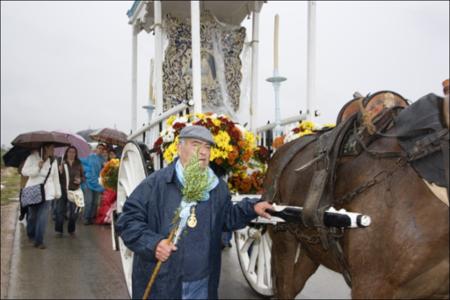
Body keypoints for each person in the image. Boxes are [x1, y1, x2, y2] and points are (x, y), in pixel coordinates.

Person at [116, 125, 273, 299]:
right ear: (179, 147)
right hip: (164, 284)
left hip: (203, 284)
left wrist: (251, 208)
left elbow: (226, 218)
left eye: (207, 147)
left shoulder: (217, 186)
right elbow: (127, 221)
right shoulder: (156, 184)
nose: (203, 152)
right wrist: (154, 244)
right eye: (196, 144)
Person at [21, 143, 61, 249]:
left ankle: (39, 241)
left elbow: (56, 177)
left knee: (42, 218)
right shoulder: (32, 158)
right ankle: (31, 234)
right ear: (45, 148)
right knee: (32, 217)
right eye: (51, 148)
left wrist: (57, 192)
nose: (53, 150)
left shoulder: (53, 161)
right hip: (34, 191)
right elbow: (24, 172)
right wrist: (37, 167)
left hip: (48, 193)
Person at [55, 146, 85, 237]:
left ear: (76, 154)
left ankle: (71, 229)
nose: (71, 154)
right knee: (60, 211)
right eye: (70, 152)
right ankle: (59, 231)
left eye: (73, 152)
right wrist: (59, 171)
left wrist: (80, 180)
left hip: (75, 191)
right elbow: (56, 178)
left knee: (74, 213)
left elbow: (83, 176)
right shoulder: (61, 163)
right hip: (63, 190)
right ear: (66, 153)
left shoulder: (79, 164)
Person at [80, 143, 106, 225]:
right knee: (89, 201)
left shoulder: (103, 160)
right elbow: (80, 162)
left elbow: (104, 171)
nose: (100, 150)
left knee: (95, 202)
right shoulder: (90, 157)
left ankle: (91, 217)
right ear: (96, 149)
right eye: (99, 148)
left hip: (97, 184)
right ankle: (86, 218)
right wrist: (88, 170)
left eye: (102, 149)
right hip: (88, 182)